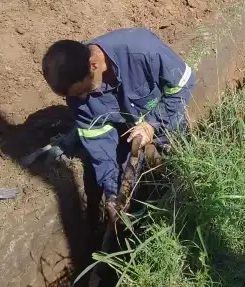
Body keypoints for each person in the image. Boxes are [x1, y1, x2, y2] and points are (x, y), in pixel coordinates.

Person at [42, 27, 194, 211]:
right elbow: (100, 145)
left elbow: (181, 85)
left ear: (93, 65)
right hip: (127, 133)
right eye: (74, 96)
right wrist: (112, 193)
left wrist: (153, 125)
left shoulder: (141, 50)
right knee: (126, 183)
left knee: (182, 174)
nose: (82, 100)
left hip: (167, 118)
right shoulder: (76, 95)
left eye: (83, 91)